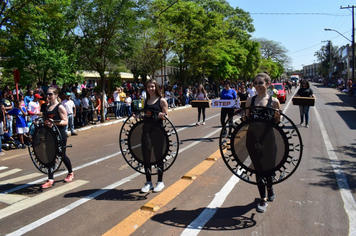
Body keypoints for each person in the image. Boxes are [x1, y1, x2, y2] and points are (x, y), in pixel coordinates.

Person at [245, 72, 281, 213]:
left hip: (269, 140)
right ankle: (263, 199)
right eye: (255, 83)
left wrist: (277, 117)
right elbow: (246, 121)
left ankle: (270, 188)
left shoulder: (274, 102)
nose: (258, 85)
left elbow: (277, 123)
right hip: (253, 140)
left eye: (260, 83)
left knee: (269, 170)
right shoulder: (250, 101)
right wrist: (241, 116)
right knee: (258, 170)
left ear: (267, 84)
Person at [41, 87, 74, 188]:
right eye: (47, 94)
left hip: (60, 134)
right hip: (49, 135)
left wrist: (54, 122)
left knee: (61, 155)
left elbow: (65, 122)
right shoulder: (47, 108)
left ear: (56, 95)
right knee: (49, 155)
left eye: (50, 94)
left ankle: (71, 172)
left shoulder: (60, 107)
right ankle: (50, 179)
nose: (48, 96)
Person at [140, 79, 168, 193]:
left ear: (156, 87)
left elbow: (166, 117)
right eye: (148, 87)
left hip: (158, 132)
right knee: (146, 158)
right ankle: (148, 182)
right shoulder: (145, 101)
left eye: (152, 86)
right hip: (146, 132)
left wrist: (162, 115)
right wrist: (138, 115)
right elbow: (144, 114)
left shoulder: (162, 101)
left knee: (158, 156)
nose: (150, 89)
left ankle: (160, 182)